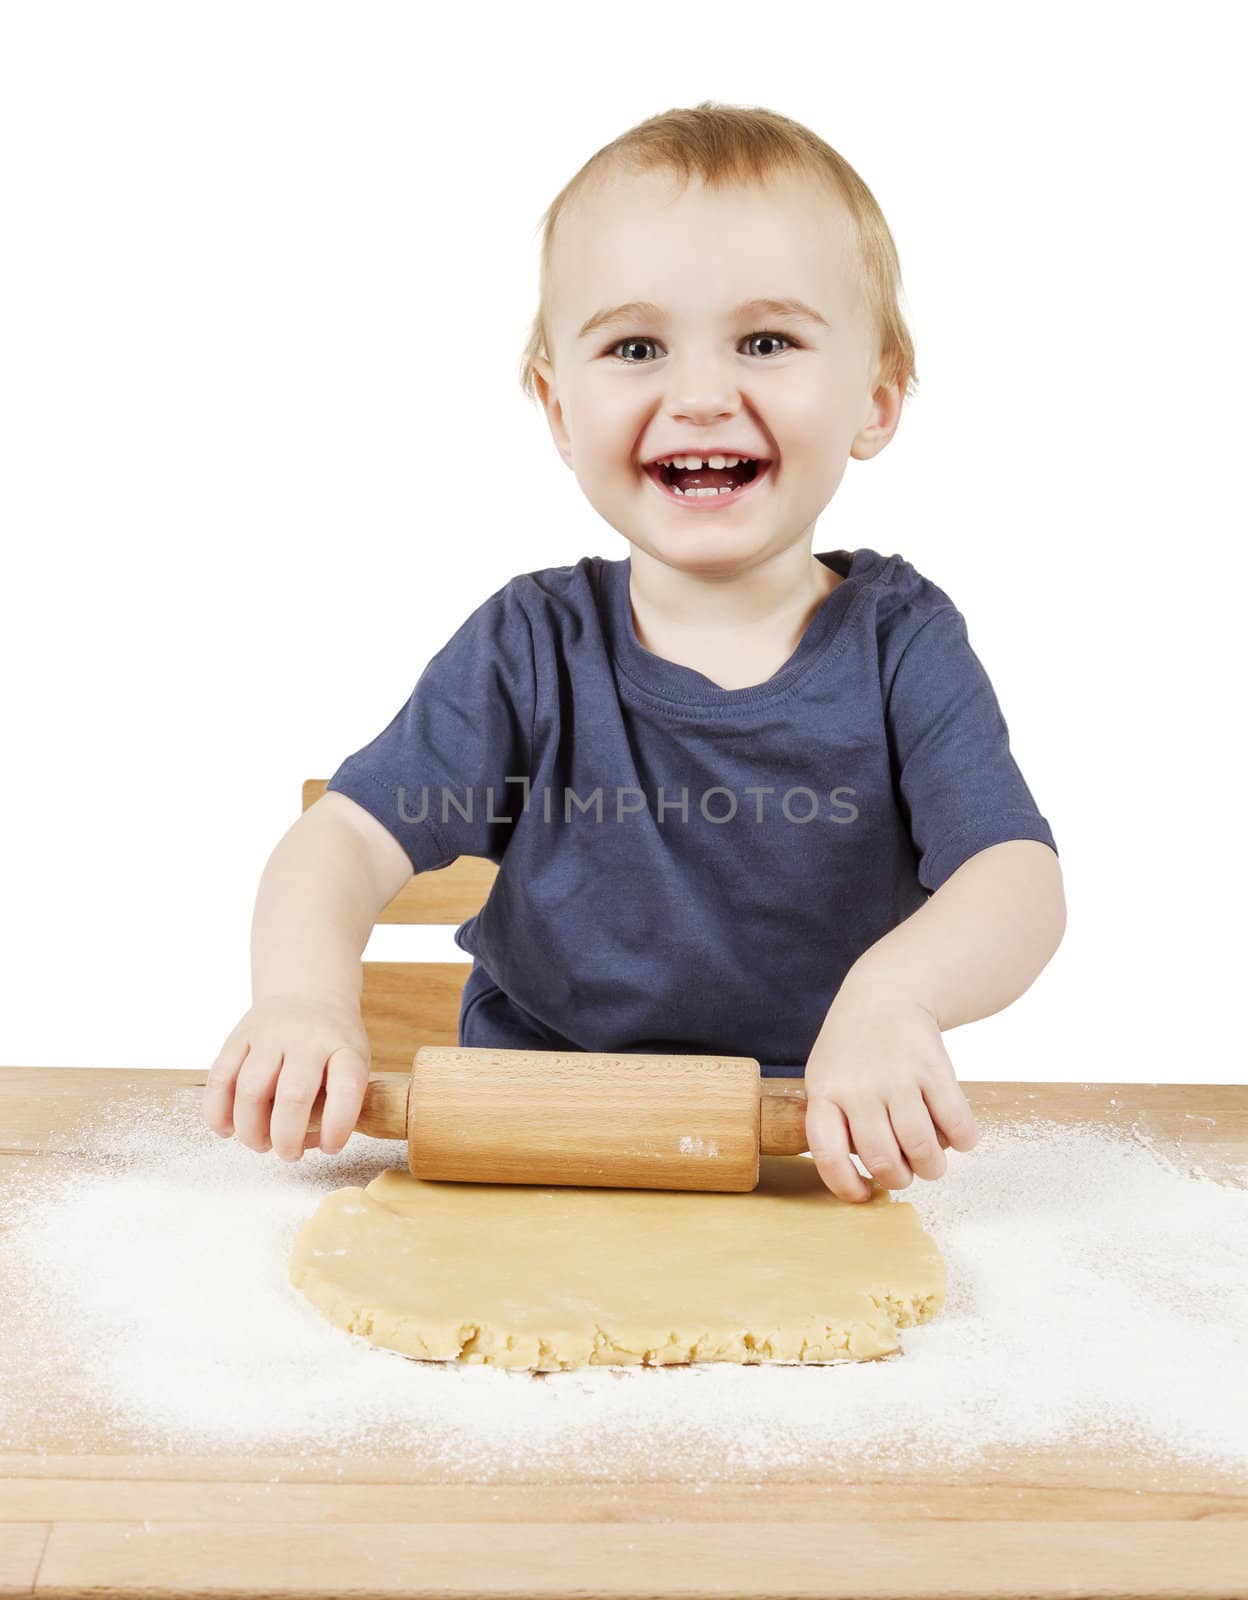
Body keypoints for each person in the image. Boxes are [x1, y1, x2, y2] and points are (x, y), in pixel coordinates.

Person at [202, 101, 1065, 1204]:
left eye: (767, 341)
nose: (701, 394)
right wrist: (301, 999)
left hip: (803, 1146)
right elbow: (342, 843)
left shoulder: (903, 643)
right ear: (561, 409)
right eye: (636, 346)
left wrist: (893, 1004)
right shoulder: (528, 645)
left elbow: (1017, 878)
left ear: (877, 396)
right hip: (519, 1141)